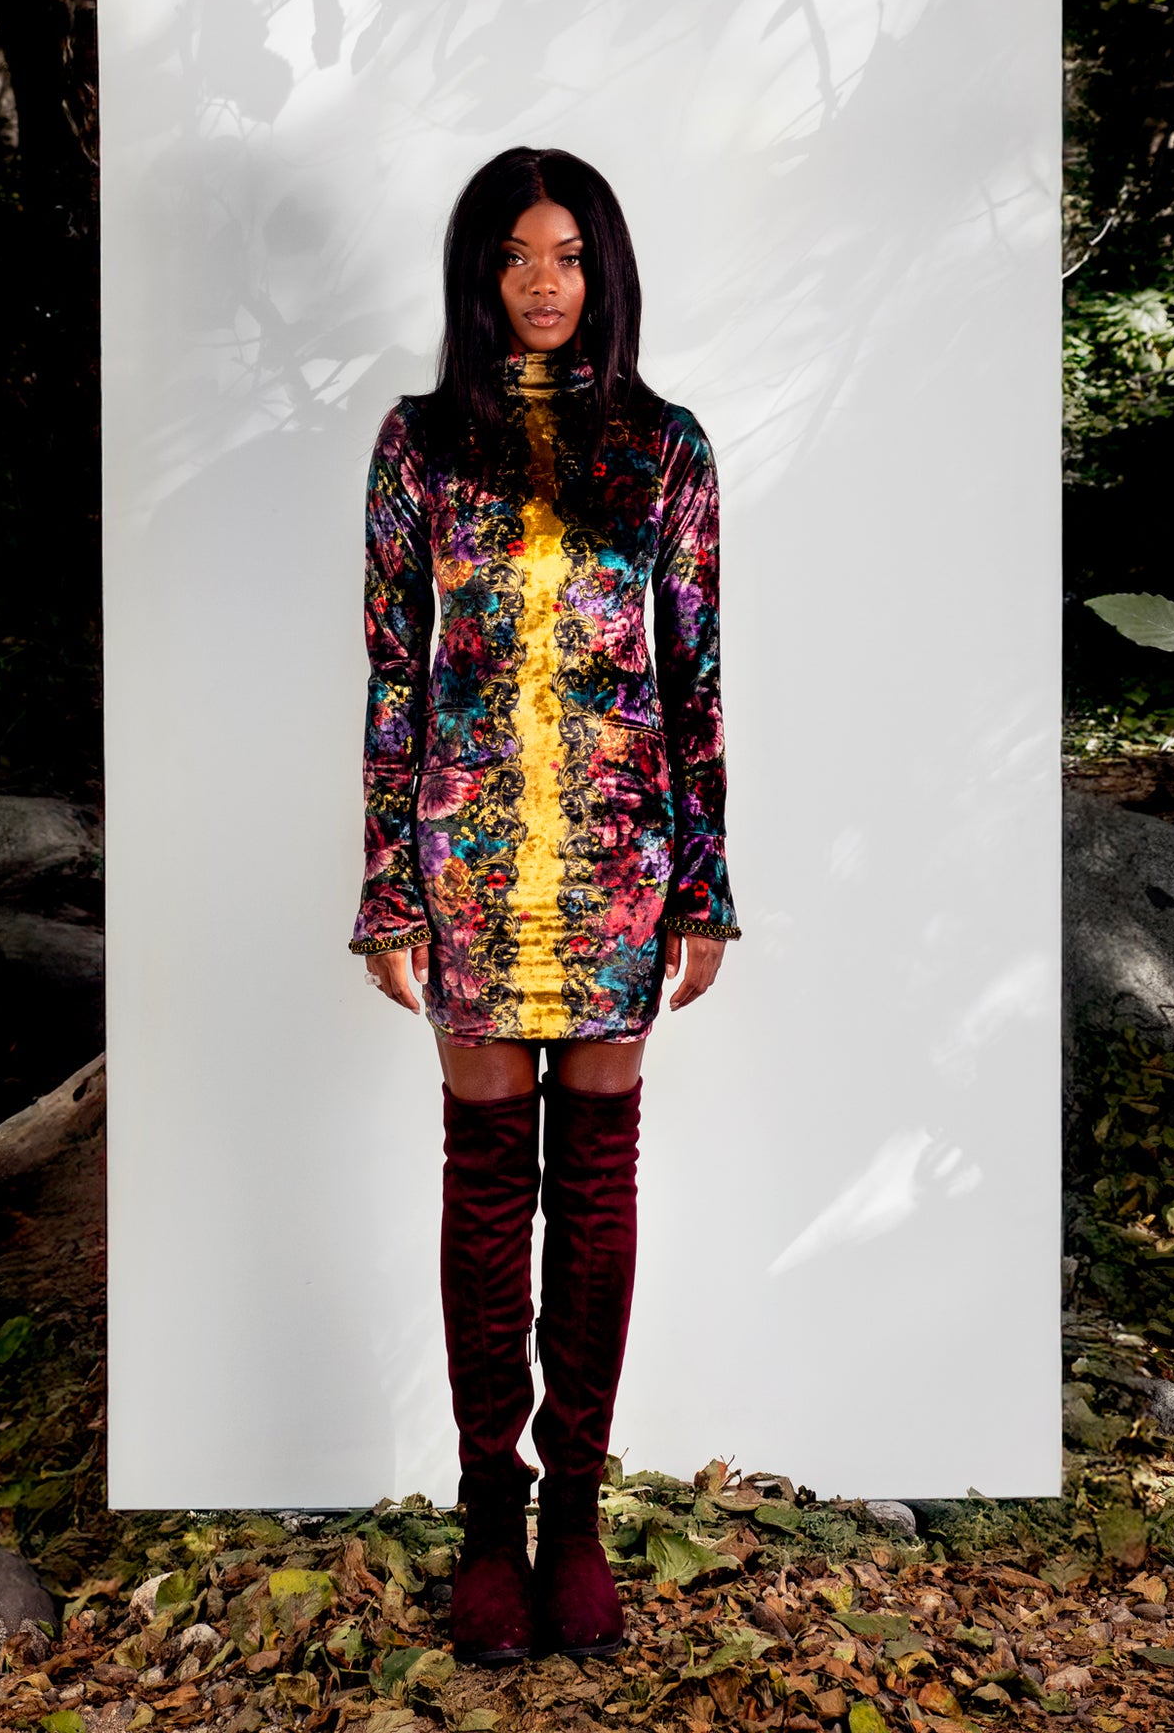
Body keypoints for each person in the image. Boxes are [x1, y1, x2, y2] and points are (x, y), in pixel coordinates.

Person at [347, 146, 741, 1665]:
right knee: (481, 1188)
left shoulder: (663, 446)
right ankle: (483, 1516)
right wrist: (386, 883)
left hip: (622, 857)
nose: (541, 283)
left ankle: (574, 1513)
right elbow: (392, 672)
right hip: (463, 857)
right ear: (475, 274)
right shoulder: (417, 444)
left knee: (594, 1191)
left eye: (569, 256)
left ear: (604, 271)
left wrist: (703, 881)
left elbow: (697, 677)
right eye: (515, 257)